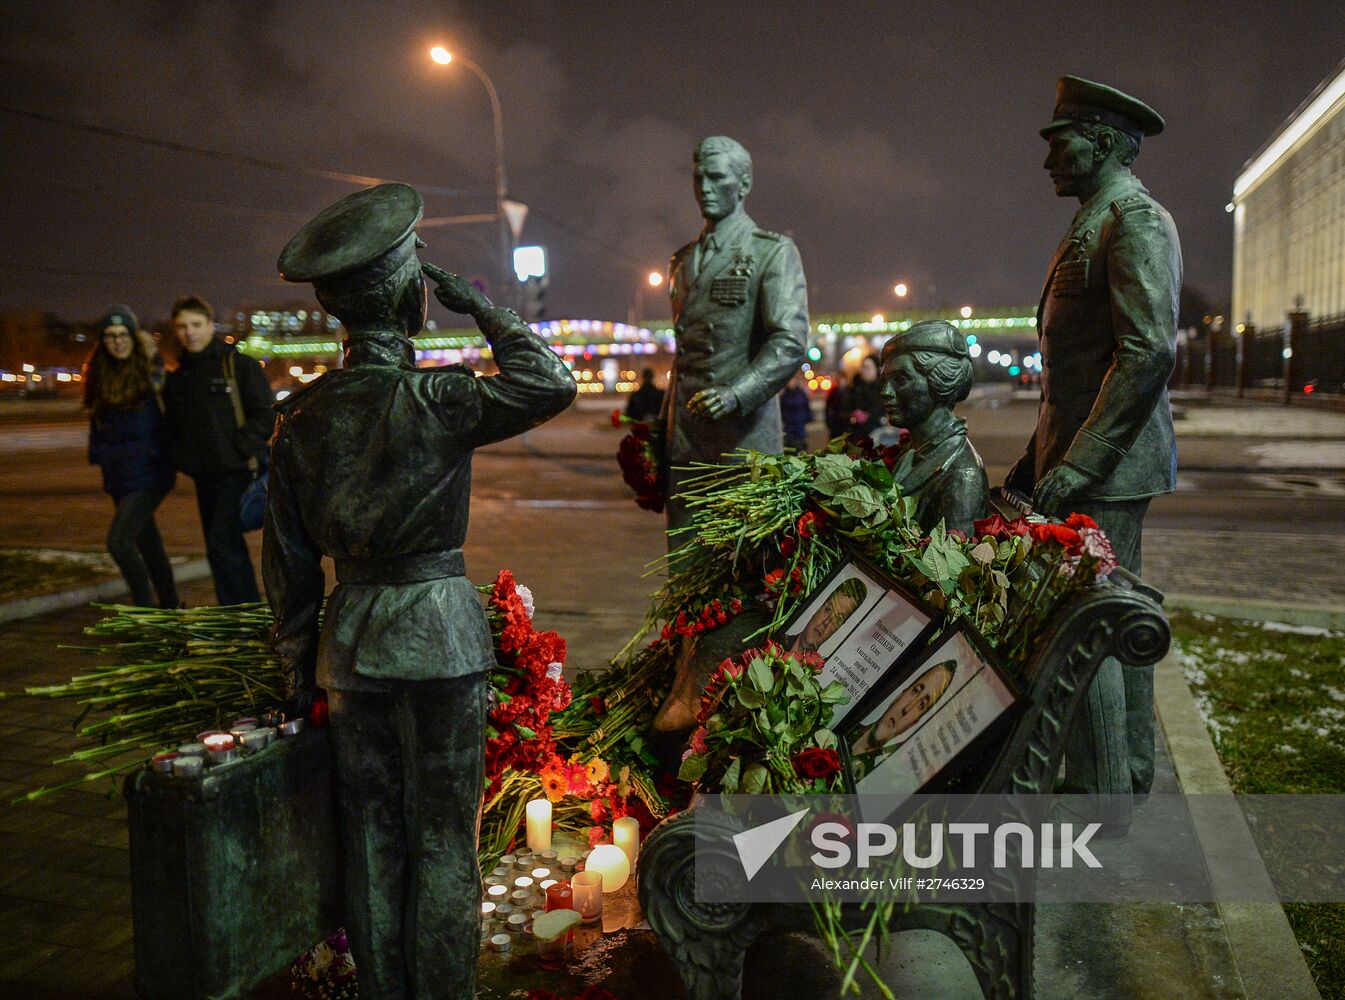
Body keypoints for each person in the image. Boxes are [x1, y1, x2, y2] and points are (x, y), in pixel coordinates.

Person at [265, 183, 576, 1000]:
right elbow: (550, 381)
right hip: (439, 636)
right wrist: (481, 306)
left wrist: (296, 675)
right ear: (410, 293)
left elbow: (289, 570)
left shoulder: (299, 418)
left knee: (369, 835)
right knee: (444, 838)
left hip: (352, 641)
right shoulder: (437, 395)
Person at [1004, 76, 1180, 832]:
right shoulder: (1093, 220)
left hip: (1107, 465)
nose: (1048, 159)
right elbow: (1073, 369)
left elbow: (1145, 354)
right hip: (1075, 456)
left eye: (1061, 142)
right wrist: (1036, 457)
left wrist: (1081, 460)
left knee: (1098, 620)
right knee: (1103, 618)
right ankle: (1117, 776)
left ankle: (1107, 788)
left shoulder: (1133, 221)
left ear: (1103, 142)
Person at [662, 135, 809, 538]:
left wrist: (736, 393)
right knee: (687, 569)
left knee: (744, 578)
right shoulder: (681, 261)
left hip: (743, 444)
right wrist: (662, 430)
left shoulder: (771, 253)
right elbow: (684, 357)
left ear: (743, 184)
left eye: (716, 177)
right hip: (688, 444)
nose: (704, 188)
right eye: (698, 178)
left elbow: (790, 341)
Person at [163, 295, 273, 605]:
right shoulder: (179, 376)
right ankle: (239, 611)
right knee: (222, 548)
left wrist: (240, 449)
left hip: (237, 473)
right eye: (182, 326)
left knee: (222, 544)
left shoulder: (237, 365)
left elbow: (266, 414)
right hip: (204, 477)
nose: (189, 332)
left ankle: (242, 610)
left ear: (211, 325)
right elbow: (173, 425)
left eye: (196, 324)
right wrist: (181, 457)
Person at [83, 305, 179, 608]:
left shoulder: (151, 370)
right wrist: (99, 454)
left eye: (123, 333)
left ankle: (144, 608)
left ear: (133, 336)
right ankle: (170, 606)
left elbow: (174, 417)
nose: (117, 341)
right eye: (110, 335)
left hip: (149, 472)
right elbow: (98, 424)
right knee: (148, 542)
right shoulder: (99, 373)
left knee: (119, 543)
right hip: (118, 473)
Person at [879, 320, 988, 535]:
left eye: (901, 379)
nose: (885, 392)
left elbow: (951, 564)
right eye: (885, 381)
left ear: (940, 382)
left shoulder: (962, 475)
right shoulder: (911, 456)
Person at [850, 659, 957, 755]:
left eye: (921, 705)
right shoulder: (848, 721)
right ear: (900, 695)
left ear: (912, 724)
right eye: (915, 691)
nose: (907, 709)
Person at [789, 576, 867, 654]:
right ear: (819, 608)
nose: (826, 622)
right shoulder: (779, 639)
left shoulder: (822, 665)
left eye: (838, 619)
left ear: (839, 628)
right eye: (828, 610)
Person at [847, 354, 884, 442]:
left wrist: (870, 417)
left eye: (868, 368)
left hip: (878, 437)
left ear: (877, 370)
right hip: (856, 436)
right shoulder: (855, 388)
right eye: (863, 367)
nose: (864, 371)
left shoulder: (883, 390)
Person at [779, 372, 812, 452]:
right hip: (789, 426)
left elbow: (806, 407)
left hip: (799, 425)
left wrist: (806, 418)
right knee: (790, 446)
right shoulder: (784, 395)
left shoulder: (801, 394)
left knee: (800, 446)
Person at [824, 371, 851, 439]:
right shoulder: (834, 392)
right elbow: (828, 408)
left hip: (846, 425)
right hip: (835, 425)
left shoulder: (850, 392)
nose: (841, 381)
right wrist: (829, 422)